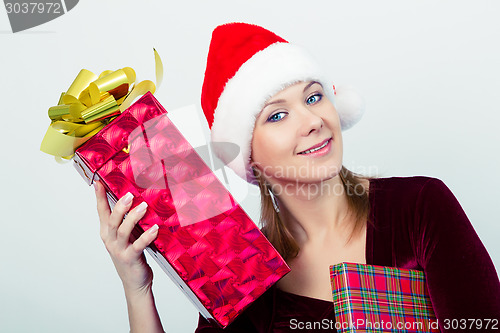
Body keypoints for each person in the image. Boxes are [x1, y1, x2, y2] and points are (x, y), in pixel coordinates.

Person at [94, 22, 500, 332]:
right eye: (277, 114)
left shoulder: (420, 206)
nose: (312, 121)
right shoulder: (240, 275)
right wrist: (138, 289)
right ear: (248, 153)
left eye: (313, 97)